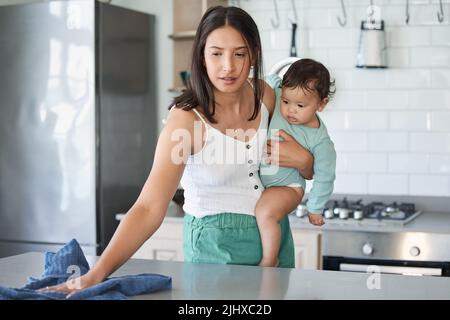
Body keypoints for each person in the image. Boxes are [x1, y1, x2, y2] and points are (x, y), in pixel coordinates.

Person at [39, 6, 314, 296]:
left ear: (254, 53)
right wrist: (96, 274)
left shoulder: (266, 96)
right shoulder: (186, 120)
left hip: (276, 237)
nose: (228, 67)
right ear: (201, 55)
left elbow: (302, 159)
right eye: (216, 53)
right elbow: (148, 208)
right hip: (216, 246)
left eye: (239, 53)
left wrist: (306, 162)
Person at [256, 59, 337, 267]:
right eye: (286, 101)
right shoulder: (275, 92)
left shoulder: (320, 140)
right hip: (258, 182)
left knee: (265, 213)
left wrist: (315, 208)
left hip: (287, 188)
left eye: (300, 105)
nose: (290, 110)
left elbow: (325, 176)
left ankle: (270, 259)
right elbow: (271, 80)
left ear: (322, 104)